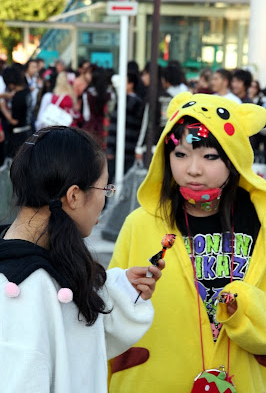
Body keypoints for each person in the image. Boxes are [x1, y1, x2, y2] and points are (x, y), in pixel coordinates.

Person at [108, 92, 266, 392]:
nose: (193, 169)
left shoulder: (260, 220)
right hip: (155, 381)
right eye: (180, 154)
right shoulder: (140, 223)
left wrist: (246, 309)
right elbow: (108, 314)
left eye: (210, 157)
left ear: (234, 159)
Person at [0, 126, 164, 392]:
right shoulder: (19, 289)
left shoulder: (48, 262)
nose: (104, 199)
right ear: (74, 195)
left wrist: (120, 289)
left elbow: (79, 347)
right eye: (105, 188)